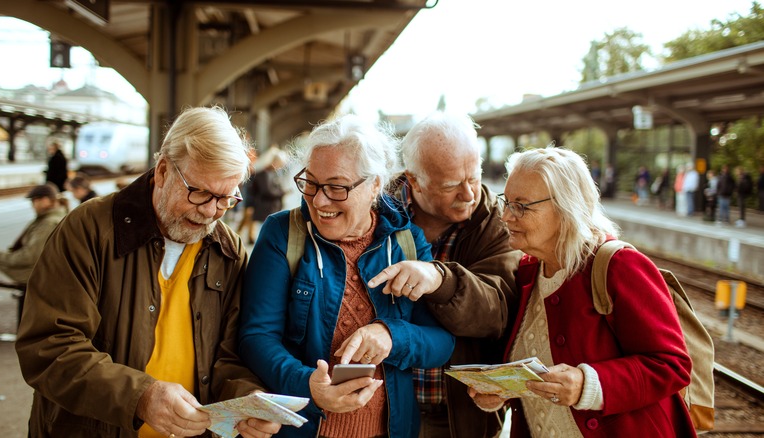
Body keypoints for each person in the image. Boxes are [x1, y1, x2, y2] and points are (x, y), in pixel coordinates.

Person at [15, 107, 281, 438]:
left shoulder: (228, 250)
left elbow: (230, 356)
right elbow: (49, 346)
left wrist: (247, 399)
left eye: (226, 199)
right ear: (164, 171)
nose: (211, 212)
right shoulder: (89, 229)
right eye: (199, 193)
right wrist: (139, 397)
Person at [238, 114, 455, 438]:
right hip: (301, 430)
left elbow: (442, 342)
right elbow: (256, 337)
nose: (319, 200)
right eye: (310, 183)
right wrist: (308, 384)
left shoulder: (408, 243)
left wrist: (392, 336)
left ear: (374, 185)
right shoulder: (283, 234)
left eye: (336, 187)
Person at [470, 147, 695, 437]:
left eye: (522, 206)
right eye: (507, 202)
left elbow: (672, 364)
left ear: (566, 207)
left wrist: (587, 384)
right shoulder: (528, 271)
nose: (507, 217)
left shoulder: (619, 266)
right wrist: (500, 393)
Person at [367, 111, 520, 438]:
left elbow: (497, 311)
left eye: (475, 176)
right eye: (451, 186)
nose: (469, 194)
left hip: (456, 415)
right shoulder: (372, 210)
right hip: (379, 405)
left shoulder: (494, 222)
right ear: (414, 180)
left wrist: (440, 279)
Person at [0, 183, 67, 336]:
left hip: (28, 272)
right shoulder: (52, 217)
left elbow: (29, 256)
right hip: (34, 269)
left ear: (45, 201)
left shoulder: (47, 223)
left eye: (34, 201)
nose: (32, 205)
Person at [250, 145, 288, 238]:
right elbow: (267, 190)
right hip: (264, 208)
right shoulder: (264, 174)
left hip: (270, 208)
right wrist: (282, 192)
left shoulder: (272, 173)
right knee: (262, 234)